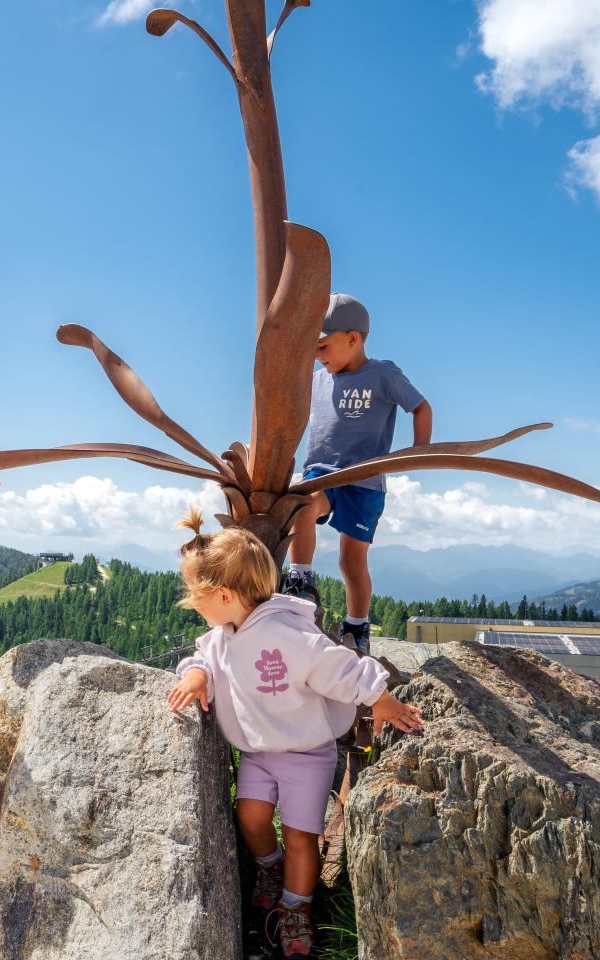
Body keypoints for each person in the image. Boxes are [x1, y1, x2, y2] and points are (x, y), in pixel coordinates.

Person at [164, 508, 424, 958]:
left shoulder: (288, 633)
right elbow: (201, 657)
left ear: (223, 594)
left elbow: (334, 664)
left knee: (303, 835)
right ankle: (271, 869)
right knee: (250, 817)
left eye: (195, 594)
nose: (191, 601)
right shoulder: (226, 631)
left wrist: (379, 697)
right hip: (259, 753)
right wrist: (196, 675)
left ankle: (296, 907)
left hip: (307, 753)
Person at [281, 294, 432, 650]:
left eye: (323, 346)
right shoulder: (317, 380)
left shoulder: (383, 374)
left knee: (351, 561)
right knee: (300, 503)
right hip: (321, 473)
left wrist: (419, 451)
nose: (318, 356)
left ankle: (357, 627)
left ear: (353, 338)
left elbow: (421, 407)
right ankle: (300, 580)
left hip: (364, 480)